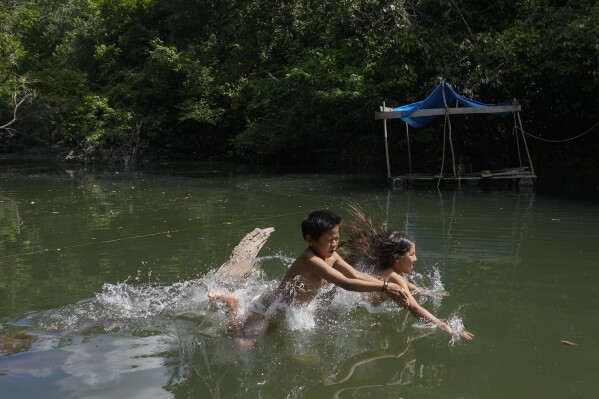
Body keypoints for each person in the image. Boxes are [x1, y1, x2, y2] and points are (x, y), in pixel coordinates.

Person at [208, 210, 410, 348]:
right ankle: (231, 306)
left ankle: (236, 308)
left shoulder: (331, 255)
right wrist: (385, 287)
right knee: (243, 346)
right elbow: (344, 283)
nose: (334, 243)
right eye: (329, 239)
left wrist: (387, 285)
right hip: (275, 306)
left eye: (337, 238)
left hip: (287, 308)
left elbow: (356, 275)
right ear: (311, 239)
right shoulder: (311, 259)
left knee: (266, 340)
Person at [340, 204, 474, 340]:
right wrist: (445, 326)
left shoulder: (394, 273)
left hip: (355, 302)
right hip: (353, 308)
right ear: (397, 259)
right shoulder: (394, 278)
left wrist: (429, 293)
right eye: (412, 254)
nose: (416, 259)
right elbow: (415, 309)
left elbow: (410, 287)